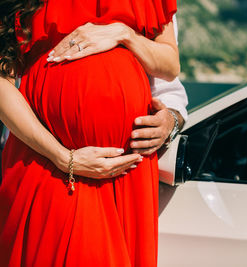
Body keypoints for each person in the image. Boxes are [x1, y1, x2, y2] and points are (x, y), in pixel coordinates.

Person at [0, 0, 181, 266]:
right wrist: (63, 157)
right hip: (49, 161)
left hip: (127, 169)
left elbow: (170, 66)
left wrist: (124, 34)